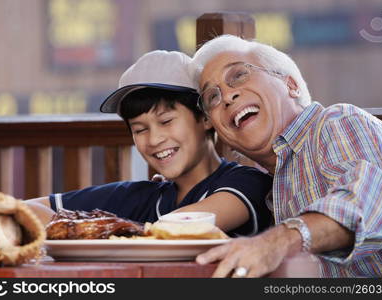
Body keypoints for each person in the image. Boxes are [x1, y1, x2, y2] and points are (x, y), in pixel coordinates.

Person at [190, 34, 382, 277]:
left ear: (291, 85)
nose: (227, 97)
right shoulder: (275, 186)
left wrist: (276, 242)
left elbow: (365, 203)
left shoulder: (337, 122)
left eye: (239, 75)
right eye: (212, 97)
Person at [27, 50, 273, 237]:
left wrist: (92, 227)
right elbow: (24, 210)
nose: (154, 139)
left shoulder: (247, 184)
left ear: (205, 117)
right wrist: (76, 224)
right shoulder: (143, 197)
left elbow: (173, 231)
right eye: (140, 129)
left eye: (166, 121)